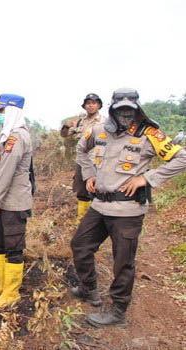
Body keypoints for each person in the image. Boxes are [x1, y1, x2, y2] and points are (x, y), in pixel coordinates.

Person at [71, 87, 186, 328]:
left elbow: (181, 158)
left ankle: (118, 311)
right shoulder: (99, 130)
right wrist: (89, 173)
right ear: (112, 109)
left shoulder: (150, 134)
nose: (125, 114)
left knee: (123, 261)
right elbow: (81, 150)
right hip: (99, 205)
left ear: (136, 109)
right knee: (80, 245)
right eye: (120, 109)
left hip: (127, 211)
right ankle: (89, 289)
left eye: (129, 110)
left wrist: (148, 178)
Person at [0, 94, 34, 308]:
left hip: (14, 202)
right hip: (5, 201)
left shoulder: (17, 137)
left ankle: (11, 293)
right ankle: (2, 284)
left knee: (13, 246)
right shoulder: (9, 136)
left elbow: (7, 173)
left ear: (12, 111)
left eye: (2, 111)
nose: (0, 116)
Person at [60, 93, 104, 223]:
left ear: (99, 105)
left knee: (98, 189)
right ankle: (82, 219)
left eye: (93, 103)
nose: (90, 105)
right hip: (82, 160)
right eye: (88, 103)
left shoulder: (104, 122)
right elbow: (64, 135)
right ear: (84, 106)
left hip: (98, 160)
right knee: (81, 190)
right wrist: (67, 126)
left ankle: (98, 219)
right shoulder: (80, 122)